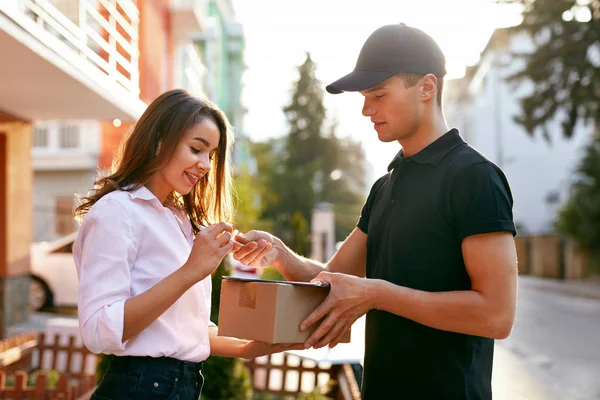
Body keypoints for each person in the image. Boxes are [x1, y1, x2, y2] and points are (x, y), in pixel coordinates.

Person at [232, 24, 518, 399]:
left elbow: (496, 316)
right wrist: (279, 255)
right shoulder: (386, 186)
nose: (367, 109)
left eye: (378, 95)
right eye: (365, 97)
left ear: (427, 88)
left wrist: (378, 294)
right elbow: (332, 281)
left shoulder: (474, 178)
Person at [73, 89, 300, 400]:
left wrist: (249, 347)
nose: (205, 164)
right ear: (158, 141)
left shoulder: (180, 220)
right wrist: (192, 270)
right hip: (139, 389)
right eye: (196, 149)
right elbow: (99, 329)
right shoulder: (117, 212)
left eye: (211, 154)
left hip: (184, 386)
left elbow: (183, 330)